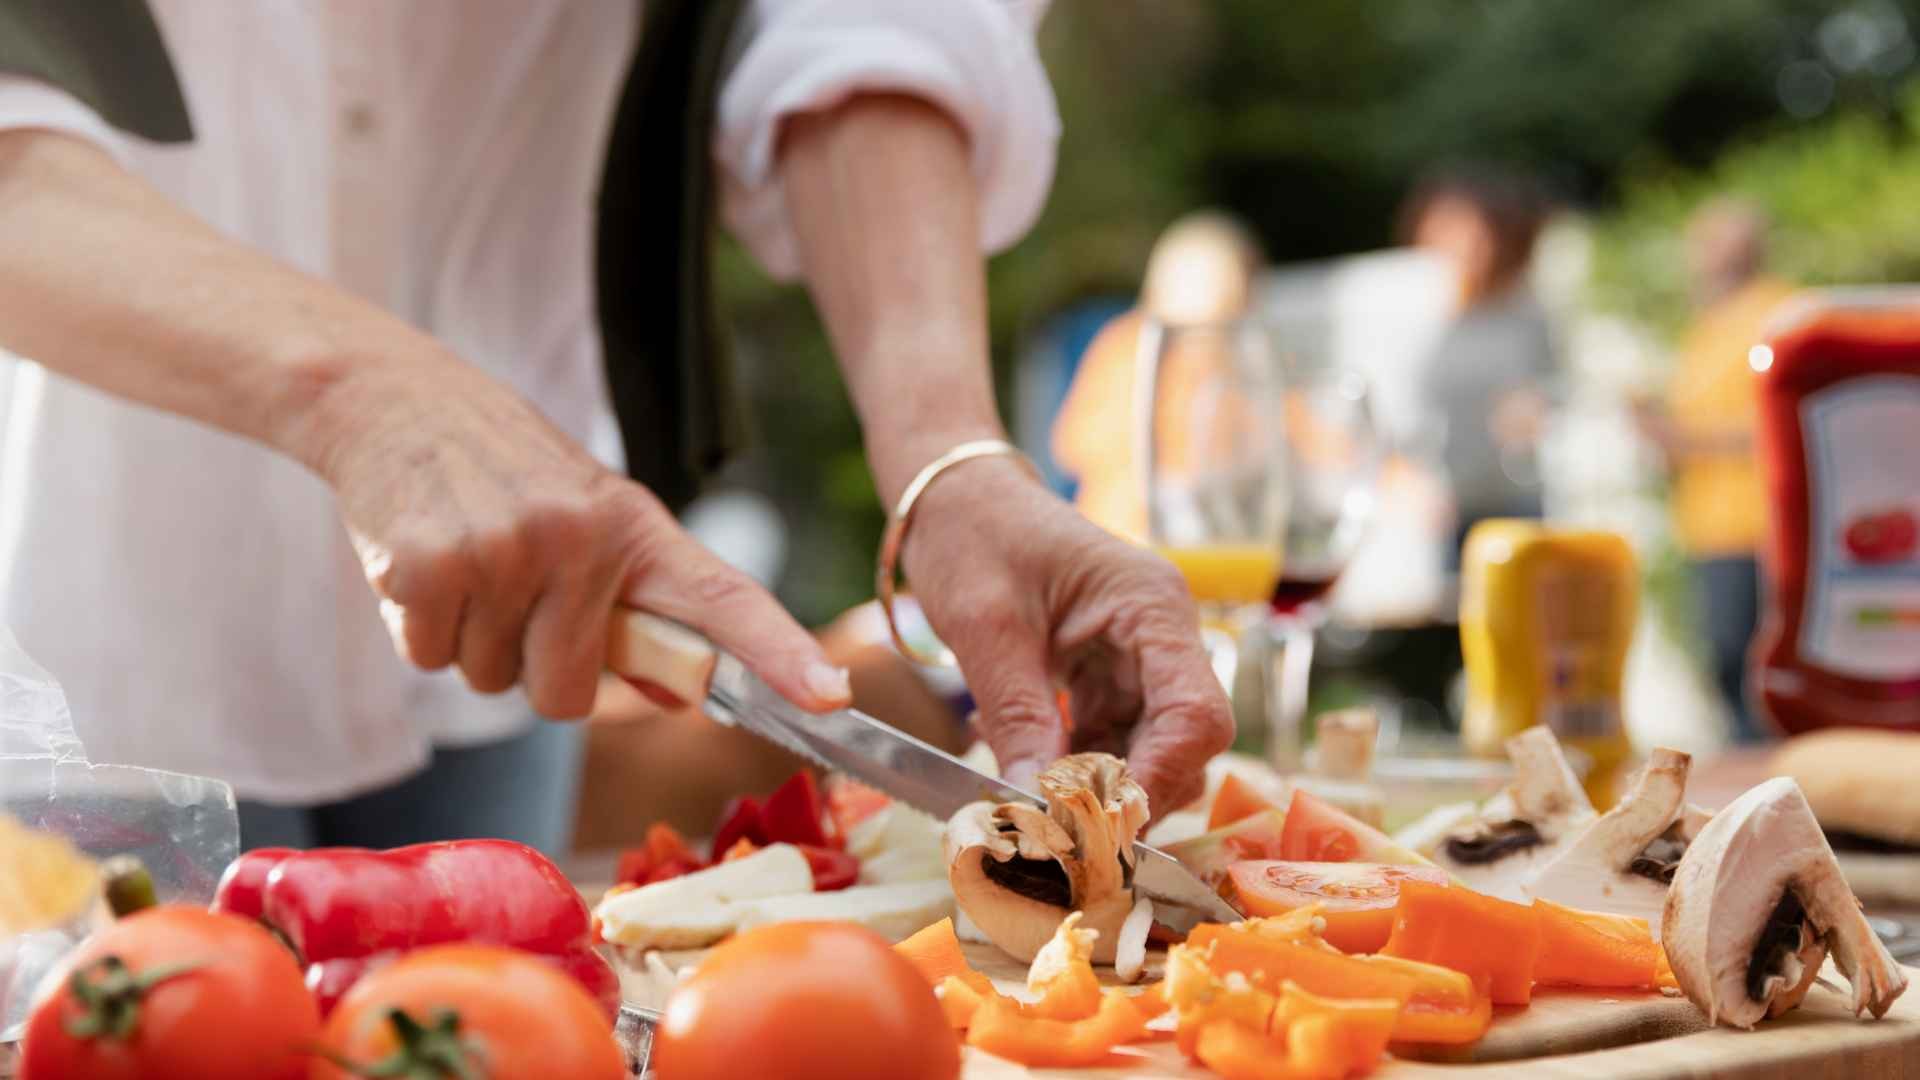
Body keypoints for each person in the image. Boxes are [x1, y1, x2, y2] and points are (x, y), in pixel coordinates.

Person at [0, 1, 1230, 853]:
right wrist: (363, 392)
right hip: (82, 629)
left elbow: (857, 23)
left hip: (538, 612)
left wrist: (949, 458)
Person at [1634, 199, 1794, 741]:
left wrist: (1683, 438)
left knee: (1759, 667)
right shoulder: (1703, 328)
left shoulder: (1778, 314)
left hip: (1764, 521)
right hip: (1708, 525)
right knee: (1725, 663)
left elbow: (1780, 420)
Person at [1052, 211, 1267, 542]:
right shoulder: (1128, 347)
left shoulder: (1236, 357)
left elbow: (1294, 429)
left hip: (1212, 543)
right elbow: (1073, 443)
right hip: (1128, 539)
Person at [1400, 166, 1558, 559]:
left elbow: (1549, 389)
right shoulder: (1429, 314)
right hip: (1447, 506)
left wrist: (1533, 409)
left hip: (1511, 501)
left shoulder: (1523, 314)